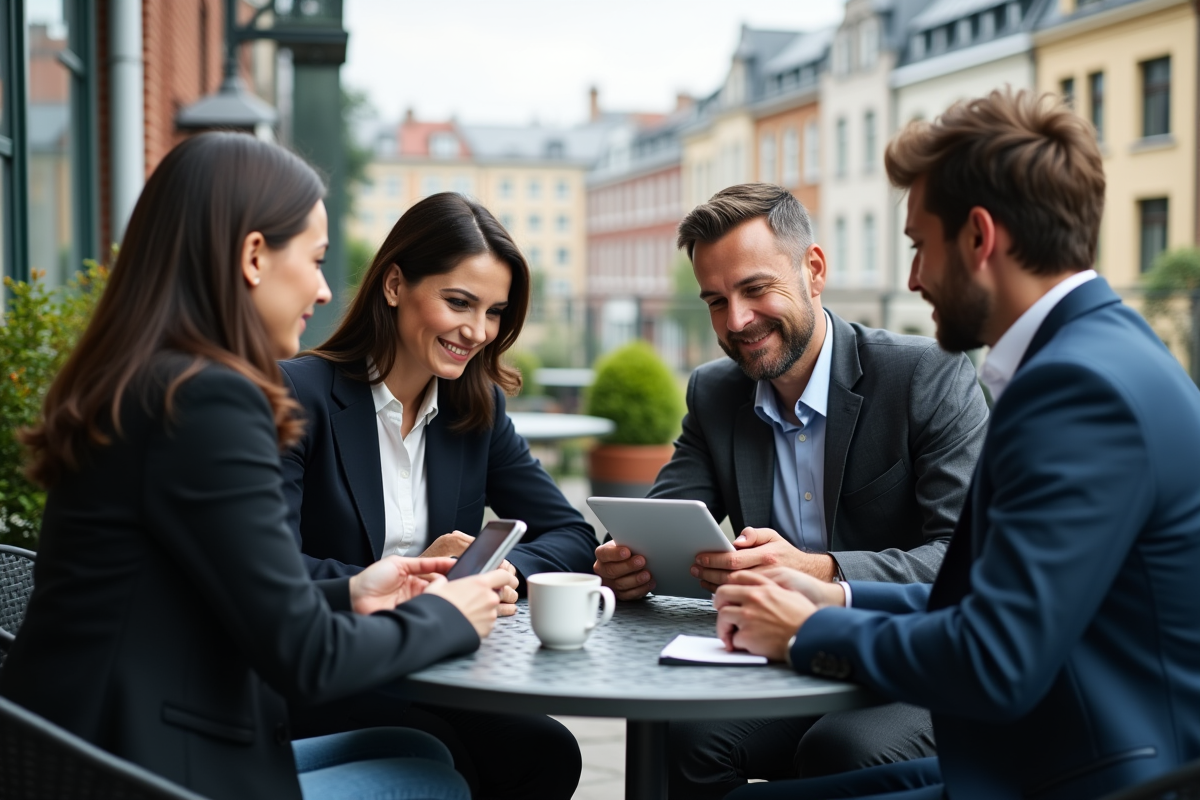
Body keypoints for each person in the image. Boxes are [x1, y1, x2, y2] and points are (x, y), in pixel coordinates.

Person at [0, 132, 517, 800]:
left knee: (415, 746)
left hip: (82, 745)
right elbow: (306, 658)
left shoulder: (145, 380)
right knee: (432, 784)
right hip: (141, 769)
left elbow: (210, 588)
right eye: (315, 259)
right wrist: (451, 613)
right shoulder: (210, 400)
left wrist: (355, 591)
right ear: (252, 257)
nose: (326, 291)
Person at [718, 89, 1200, 800]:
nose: (912, 278)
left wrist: (807, 631)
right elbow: (987, 605)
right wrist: (828, 600)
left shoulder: (1078, 389)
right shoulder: (1100, 353)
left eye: (919, 246)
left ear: (979, 237)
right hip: (1054, 757)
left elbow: (995, 658)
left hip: (1097, 780)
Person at [592, 183, 990, 798]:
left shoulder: (926, 375)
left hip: (907, 660)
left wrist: (824, 570)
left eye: (754, 289)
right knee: (688, 735)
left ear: (814, 269)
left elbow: (966, 557)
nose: (736, 321)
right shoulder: (715, 392)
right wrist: (628, 559)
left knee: (840, 748)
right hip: (781, 658)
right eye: (716, 301)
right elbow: (658, 518)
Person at [277, 192, 593, 799]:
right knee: (445, 754)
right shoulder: (300, 395)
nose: (478, 332)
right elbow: (275, 569)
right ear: (394, 285)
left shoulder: (474, 409)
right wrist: (405, 583)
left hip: (432, 665)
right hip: (329, 666)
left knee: (547, 750)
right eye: (458, 302)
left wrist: (482, 571)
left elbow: (572, 535)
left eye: (495, 312)